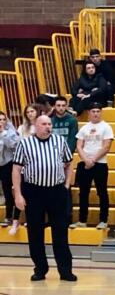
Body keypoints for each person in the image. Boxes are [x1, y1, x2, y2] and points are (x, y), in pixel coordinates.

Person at [11, 114, 75, 282]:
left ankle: (65, 270)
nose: (48, 126)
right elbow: (16, 169)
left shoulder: (60, 141)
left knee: (60, 231)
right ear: (36, 125)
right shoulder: (25, 143)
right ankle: (40, 268)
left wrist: (67, 185)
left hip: (56, 190)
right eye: (44, 124)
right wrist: (18, 194)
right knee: (35, 232)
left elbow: (69, 163)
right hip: (33, 191)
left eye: (49, 124)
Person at [71, 104, 114, 230]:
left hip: (100, 164)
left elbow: (106, 147)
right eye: (93, 111)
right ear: (89, 112)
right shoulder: (84, 128)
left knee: (102, 192)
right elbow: (79, 145)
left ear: (101, 112)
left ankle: (103, 220)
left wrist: (93, 160)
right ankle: (82, 220)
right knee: (83, 193)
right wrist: (85, 160)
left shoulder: (106, 127)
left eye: (98, 111)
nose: (96, 113)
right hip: (85, 163)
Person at [0, 111, 18, 229]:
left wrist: (3, 133)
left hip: (7, 164)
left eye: (3, 119)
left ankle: (9, 216)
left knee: (7, 191)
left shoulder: (10, 132)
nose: (1, 122)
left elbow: (12, 145)